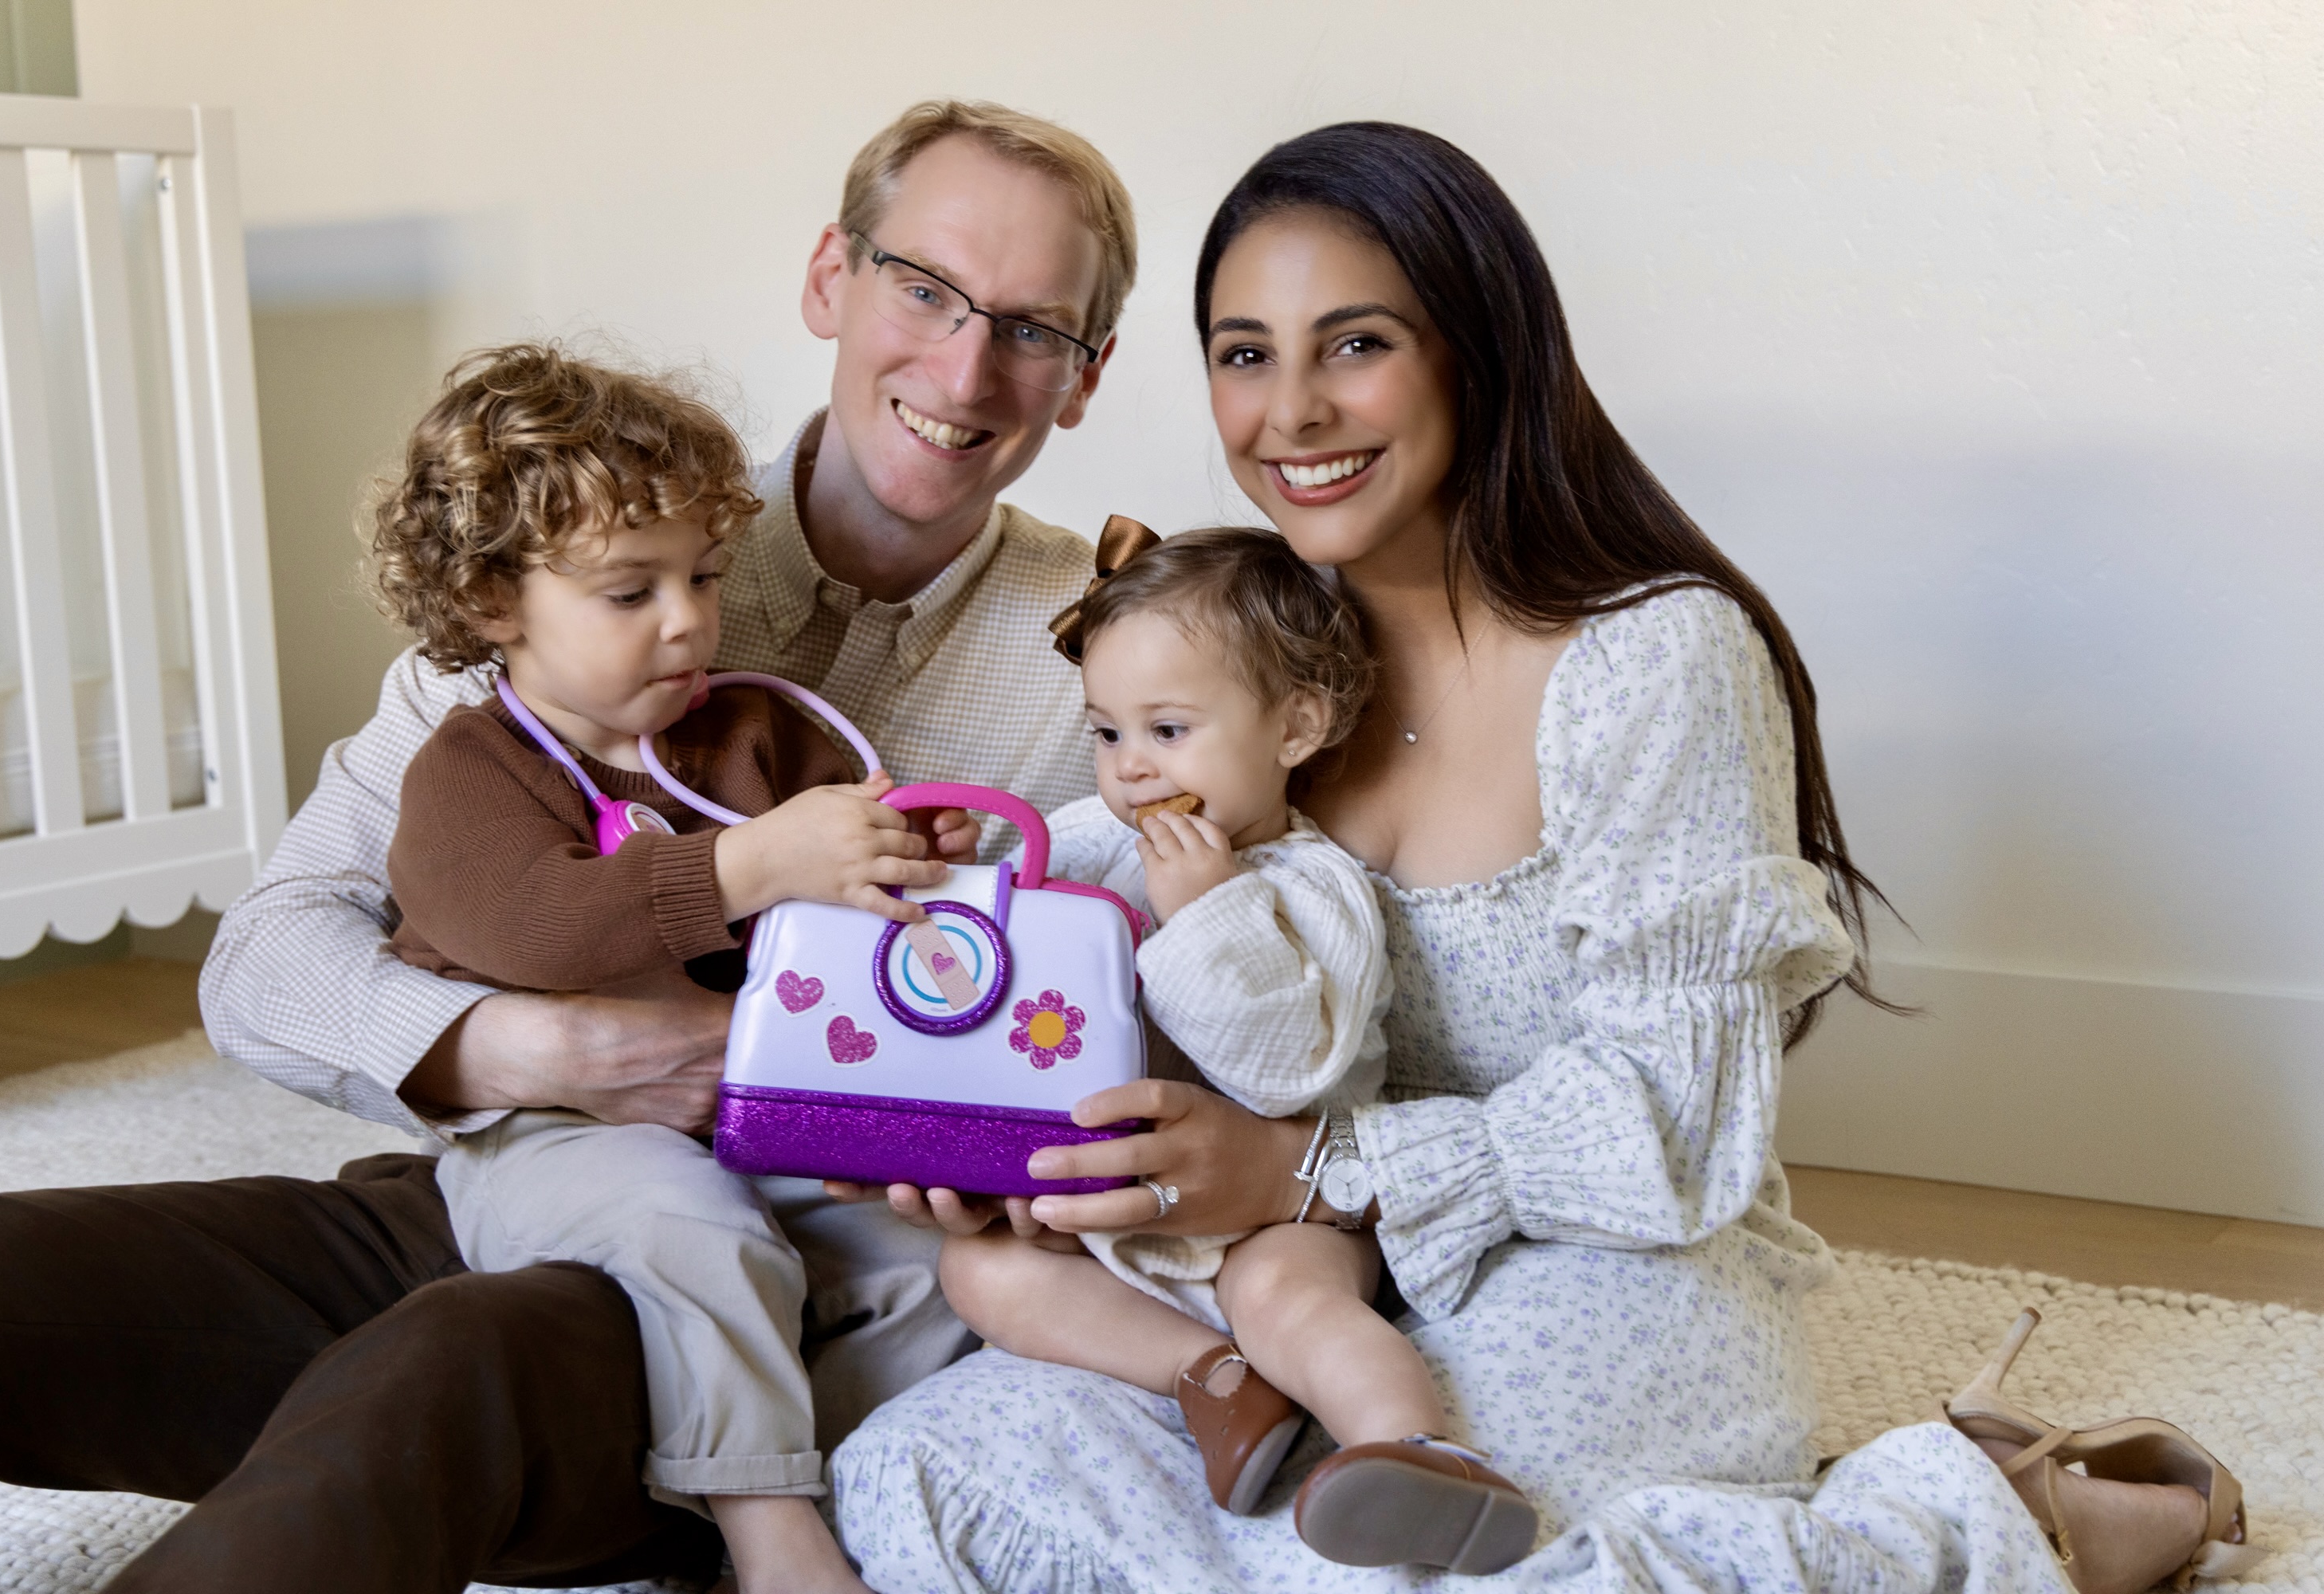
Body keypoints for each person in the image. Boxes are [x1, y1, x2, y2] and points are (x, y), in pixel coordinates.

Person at [826, 123, 2263, 1594]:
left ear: (1480, 353)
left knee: (1357, 1577)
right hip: (1290, 1291)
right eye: (1245, 354)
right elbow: (1150, 938)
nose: (1295, 410)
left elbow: (1677, 1116)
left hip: (1599, 1267)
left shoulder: (1655, 659)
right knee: (920, 1485)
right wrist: (1019, 1142)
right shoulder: (1237, 660)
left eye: (1358, 344)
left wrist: (1310, 1171)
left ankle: (1995, 1521)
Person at [0, 99, 1134, 1591]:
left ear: (1087, 377)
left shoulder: (1115, 658)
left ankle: (745, 1511)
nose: (964, 368)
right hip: (496, 1181)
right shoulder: (564, 550)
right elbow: (262, 963)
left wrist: (974, 1127)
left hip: (760, 1283)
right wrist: (538, 1055)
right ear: (832, 276)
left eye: (1031, 328)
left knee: (443, 1369)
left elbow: (1111, 1029)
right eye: (926, 289)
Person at [373, 344, 983, 1592]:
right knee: (694, 1226)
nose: (689, 620)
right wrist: (747, 869)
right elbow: (541, 928)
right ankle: (769, 1536)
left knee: (947, 1270)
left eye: (702, 576)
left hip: (761, 1117)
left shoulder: (757, 731)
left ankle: (748, 1483)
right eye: (627, 591)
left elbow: (847, 927)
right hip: (553, 1137)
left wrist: (902, 856)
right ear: (495, 601)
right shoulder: (465, 781)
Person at [938, 525, 1537, 1572]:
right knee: (979, 1271)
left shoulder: (1312, 888)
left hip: (1284, 1211)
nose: (1131, 770)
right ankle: (1212, 1378)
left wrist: (1208, 918)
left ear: (1295, 726)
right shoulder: (1094, 839)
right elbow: (1006, 936)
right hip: (1127, 1225)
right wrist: (961, 875)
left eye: (1168, 730)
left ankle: (1416, 1456)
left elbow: (1285, 1071)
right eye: (1107, 732)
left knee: (1283, 1300)